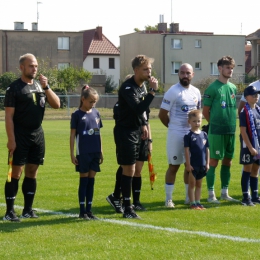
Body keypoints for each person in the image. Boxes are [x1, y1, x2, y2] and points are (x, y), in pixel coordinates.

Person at [3, 53, 60, 222]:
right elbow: (8, 117)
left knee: (32, 172)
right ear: (22, 68)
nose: (34, 69)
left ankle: (27, 209)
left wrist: (47, 87)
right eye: (31, 66)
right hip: (20, 135)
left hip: (37, 134)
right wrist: (11, 139)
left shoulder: (39, 85)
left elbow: (57, 105)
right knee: (15, 173)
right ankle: (9, 212)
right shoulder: (14, 89)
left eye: (36, 66)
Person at [113, 54, 158, 219]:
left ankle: (126, 204)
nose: (149, 72)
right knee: (129, 169)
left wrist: (144, 125)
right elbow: (138, 108)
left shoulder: (141, 87)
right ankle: (127, 208)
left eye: (150, 69)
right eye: (146, 69)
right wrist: (152, 92)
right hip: (125, 132)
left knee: (133, 169)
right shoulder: (128, 87)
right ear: (136, 70)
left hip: (137, 130)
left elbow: (144, 112)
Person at [106, 75, 152, 213]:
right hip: (128, 134)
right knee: (127, 168)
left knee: (136, 169)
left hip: (141, 134)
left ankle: (134, 201)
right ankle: (119, 198)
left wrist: (149, 139)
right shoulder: (122, 104)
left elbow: (145, 118)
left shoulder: (142, 98)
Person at [158, 63, 201, 208]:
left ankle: (188, 197)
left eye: (188, 73)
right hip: (176, 134)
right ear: (178, 74)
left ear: (192, 74)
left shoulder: (196, 92)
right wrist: (173, 127)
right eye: (182, 73)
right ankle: (168, 199)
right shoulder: (173, 91)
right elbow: (162, 114)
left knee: (189, 167)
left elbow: (197, 113)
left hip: (191, 134)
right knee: (173, 166)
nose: (185, 76)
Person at [202, 55, 239, 203]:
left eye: (231, 68)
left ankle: (225, 192)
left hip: (230, 130)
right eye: (227, 67)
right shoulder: (212, 88)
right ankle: (211, 195)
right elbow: (205, 111)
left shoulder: (233, 87)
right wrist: (213, 125)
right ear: (220, 68)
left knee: (228, 161)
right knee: (214, 162)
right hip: (216, 131)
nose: (230, 70)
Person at [70, 85, 103, 220]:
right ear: (83, 99)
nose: (92, 104)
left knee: (91, 181)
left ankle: (89, 210)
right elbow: (72, 135)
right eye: (90, 101)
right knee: (84, 181)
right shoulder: (77, 115)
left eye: (94, 102)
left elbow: (98, 132)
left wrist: (101, 151)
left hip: (95, 152)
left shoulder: (96, 113)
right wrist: (72, 154)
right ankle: (82, 211)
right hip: (83, 153)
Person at [184, 110, 209, 210]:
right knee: (192, 184)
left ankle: (198, 202)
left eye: (198, 121)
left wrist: (207, 163)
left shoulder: (204, 134)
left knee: (199, 185)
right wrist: (188, 164)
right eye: (194, 121)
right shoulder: (188, 136)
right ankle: (192, 203)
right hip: (193, 165)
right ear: (189, 122)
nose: (197, 123)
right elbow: (186, 151)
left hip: (202, 165)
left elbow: (207, 149)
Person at [239, 85, 260, 206]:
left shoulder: (258, 110)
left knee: (256, 169)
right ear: (247, 97)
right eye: (253, 94)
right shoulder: (244, 112)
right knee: (247, 169)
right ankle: (245, 197)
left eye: (257, 94)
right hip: (248, 146)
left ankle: (255, 195)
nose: (256, 96)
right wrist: (250, 147)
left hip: (258, 146)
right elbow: (243, 131)